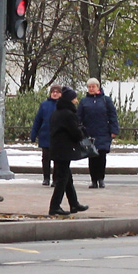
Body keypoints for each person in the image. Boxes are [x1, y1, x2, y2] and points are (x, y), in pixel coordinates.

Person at [46, 87, 91, 217]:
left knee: (67, 177)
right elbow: (75, 133)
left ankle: (74, 203)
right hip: (64, 150)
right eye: (75, 98)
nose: (76, 101)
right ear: (70, 100)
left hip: (57, 149)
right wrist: (82, 132)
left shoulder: (57, 112)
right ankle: (54, 206)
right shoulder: (68, 114)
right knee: (62, 178)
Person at [77, 77, 120, 188]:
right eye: (89, 87)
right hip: (89, 133)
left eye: (93, 86)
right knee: (92, 157)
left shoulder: (106, 100)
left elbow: (112, 116)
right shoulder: (84, 101)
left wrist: (114, 130)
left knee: (101, 156)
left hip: (103, 132)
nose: (91, 89)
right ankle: (93, 180)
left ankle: (101, 178)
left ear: (98, 87)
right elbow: (78, 117)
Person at [29, 84, 62, 186]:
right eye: (53, 92)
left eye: (57, 92)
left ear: (61, 94)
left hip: (58, 137)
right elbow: (38, 120)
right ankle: (46, 178)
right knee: (46, 158)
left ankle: (55, 179)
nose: (55, 94)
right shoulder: (44, 105)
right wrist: (33, 134)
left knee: (57, 159)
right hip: (45, 135)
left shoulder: (63, 105)